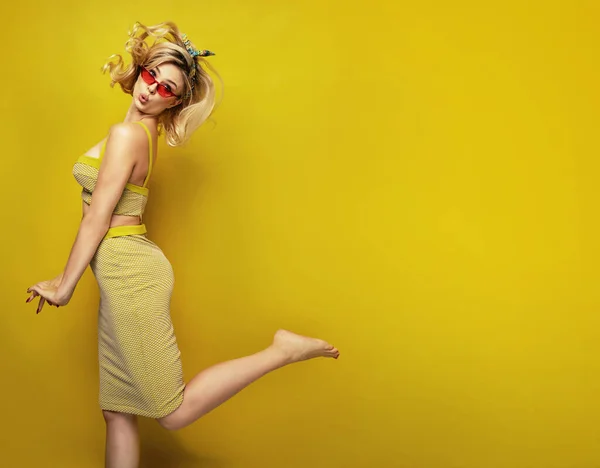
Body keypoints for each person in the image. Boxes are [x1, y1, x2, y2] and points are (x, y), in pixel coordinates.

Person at [25, 21, 339, 468]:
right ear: (141, 70)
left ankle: (281, 351)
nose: (151, 90)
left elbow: (98, 216)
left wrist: (64, 285)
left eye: (166, 88)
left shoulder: (129, 136)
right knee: (118, 410)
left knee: (171, 412)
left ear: (177, 100)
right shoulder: (137, 133)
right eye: (151, 75)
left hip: (131, 275)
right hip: (123, 272)